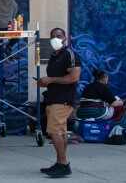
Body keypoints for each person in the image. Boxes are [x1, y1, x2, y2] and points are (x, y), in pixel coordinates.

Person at [38, 27, 81, 179]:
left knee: (54, 131)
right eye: (52, 37)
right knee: (61, 131)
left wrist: (51, 80)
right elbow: (56, 77)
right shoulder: (55, 56)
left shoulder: (69, 54)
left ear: (65, 38)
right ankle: (59, 162)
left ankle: (63, 164)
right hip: (54, 98)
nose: (55, 39)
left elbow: (74, 77)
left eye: (58, 36)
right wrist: (45, 82)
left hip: (63, 100)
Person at [77, 69, 126, 138]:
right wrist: (121, 102)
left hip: (81, 112)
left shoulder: (87, 87)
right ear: (103, 80)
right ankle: (117, 129)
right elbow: (114, 103)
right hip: (94, 112)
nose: (107, 81)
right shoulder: (103, 88)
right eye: (107, 80)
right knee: (119, 109)